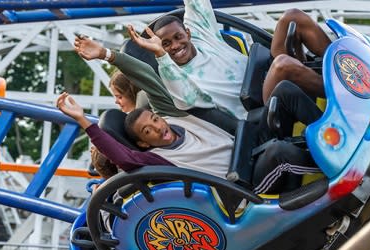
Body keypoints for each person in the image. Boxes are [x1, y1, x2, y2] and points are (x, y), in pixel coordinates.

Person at [58, 38, 321, 193]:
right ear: (143, 143)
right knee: (279, 151)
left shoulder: (173, 115)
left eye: (155, 120)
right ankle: (335, 171)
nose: (159, 128)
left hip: (250, 145)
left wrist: (108, 54)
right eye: (149, 131)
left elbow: (149, 81)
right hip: (245, 184)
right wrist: (83, 120)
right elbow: (123, 157)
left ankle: (331, 136)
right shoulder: (157, 159)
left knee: (284, 92)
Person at [127, 0, 332, 117]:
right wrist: (160, 55)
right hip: (259, 107)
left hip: (265, 71)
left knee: (292, 16)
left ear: (187, 33)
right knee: (283, 65)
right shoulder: (176, 78)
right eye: (166, 44)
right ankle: (344, 93)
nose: (175, 46)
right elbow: (184, 98)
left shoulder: (202, 35)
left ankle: (342, 67)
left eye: (178, 37)